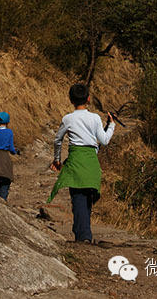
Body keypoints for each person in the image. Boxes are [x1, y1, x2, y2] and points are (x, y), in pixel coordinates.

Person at [47, 83, 115, 243]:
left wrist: (57, 159)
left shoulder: (68, 119)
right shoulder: (95, 118)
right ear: (89, 99)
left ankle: (83, 236)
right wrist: (111, 125)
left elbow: (58, 140)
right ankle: (82, 233)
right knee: (87, 199)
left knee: (78, 198)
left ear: (71, 99)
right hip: (91, 162)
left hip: (76, 161)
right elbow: (104, 140)